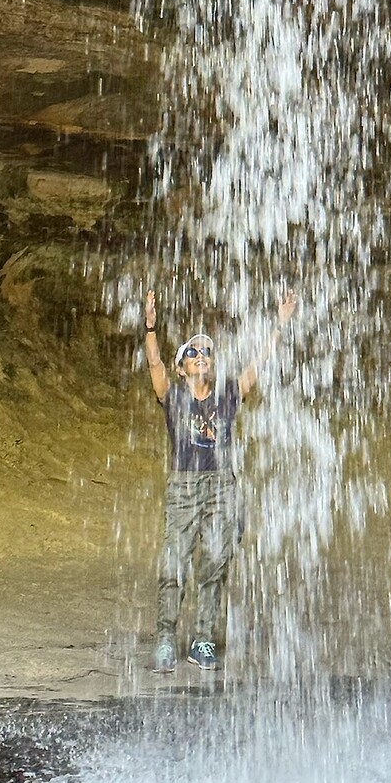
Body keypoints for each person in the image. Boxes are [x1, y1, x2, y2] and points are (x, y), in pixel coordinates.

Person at [144, 287, 297, 672]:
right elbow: (154, 366)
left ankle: (203, 640)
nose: (201, 357)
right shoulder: (173, 396)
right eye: (192, 352)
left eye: (206, 352)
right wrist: (150, 327)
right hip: (183, 486)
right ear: (182, 368)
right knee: (173, 563)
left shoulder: (228, 393)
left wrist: (278, 325)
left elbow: (259, 365)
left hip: (221, 486)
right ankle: (165, 637)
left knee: (214, 563)